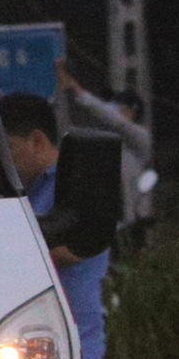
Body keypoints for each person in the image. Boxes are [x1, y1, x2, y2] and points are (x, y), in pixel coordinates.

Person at [0, 92, 110, 359]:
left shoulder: (78, 186)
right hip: (32, 349)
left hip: (74, 348)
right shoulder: (28, 189)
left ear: (36, 141)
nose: (4, 162)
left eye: (8, 149)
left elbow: (69, 252)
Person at [58, 59, 155, 250]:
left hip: (134, 218)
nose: (113, 110)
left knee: (134, 253)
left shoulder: (140, 136)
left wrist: (79, 93)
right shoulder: (109, 141)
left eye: (119, 107)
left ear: (131, 111)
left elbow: (116, 121)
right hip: (112, 218)